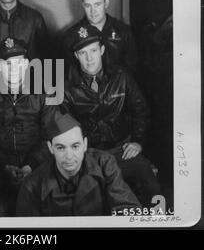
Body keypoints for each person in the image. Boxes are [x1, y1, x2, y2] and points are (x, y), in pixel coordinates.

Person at [62, 24, 161, 207]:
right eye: (83, 53)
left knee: (151, 186)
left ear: (102, 50)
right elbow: (64, 126)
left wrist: (138, 141)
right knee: (88, 201)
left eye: (93, 51)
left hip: (122, 149)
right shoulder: (67, 86)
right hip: (89, 153)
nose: (89, 58)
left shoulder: (121, 76)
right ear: (76, 56)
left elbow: (141, 109)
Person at [0, 37, 57, 214]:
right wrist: (4, 166)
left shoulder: (44, 90)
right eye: (7, 64)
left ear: (26, 65)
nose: (13, 70)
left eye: (18, 64)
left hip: (37, 164)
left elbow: (50, 134)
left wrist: (31, 165)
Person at [16, 112, 141, 216]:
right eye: (60, 148)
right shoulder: (32, 185)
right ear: (50, 148)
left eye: (75, 146)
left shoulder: (104, 164)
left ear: (85, 144)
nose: (69, 156)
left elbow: (128, 210)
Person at [61, 0, 137, 74]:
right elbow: (67, 75)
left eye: (97, 4)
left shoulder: (123, 32)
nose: (93, 11)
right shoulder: (71, 36)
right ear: (82, 4)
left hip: (118, 87)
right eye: (88, 5)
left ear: (106, 2)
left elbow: (133, 71)